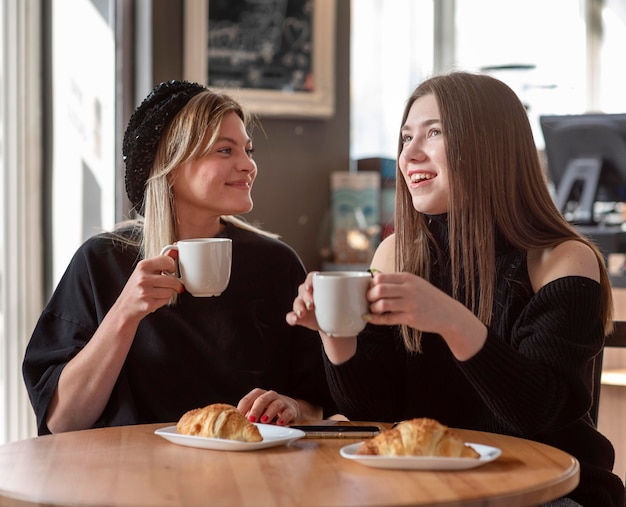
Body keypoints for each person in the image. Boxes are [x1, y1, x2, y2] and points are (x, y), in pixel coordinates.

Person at [287, 72, 625, 506]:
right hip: (424, 484)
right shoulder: (396, 253)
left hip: (546, 491)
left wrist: (448, 319)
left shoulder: (561, 259)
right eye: (406, 137)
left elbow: (535, 414)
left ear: (490, 147)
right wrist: (335, 332)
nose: (410, 153)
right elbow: (372, 409)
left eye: (434, 133)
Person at [23, 79, 335, 435]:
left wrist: (293, 407)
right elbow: (62, 421)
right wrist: (125, 312)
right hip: (131, 479)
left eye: (248, 150)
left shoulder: (277, 264)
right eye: (225, 150)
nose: (248, 165)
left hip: (251, 478)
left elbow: (319, 404)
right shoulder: (101, 262)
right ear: (171, 165)